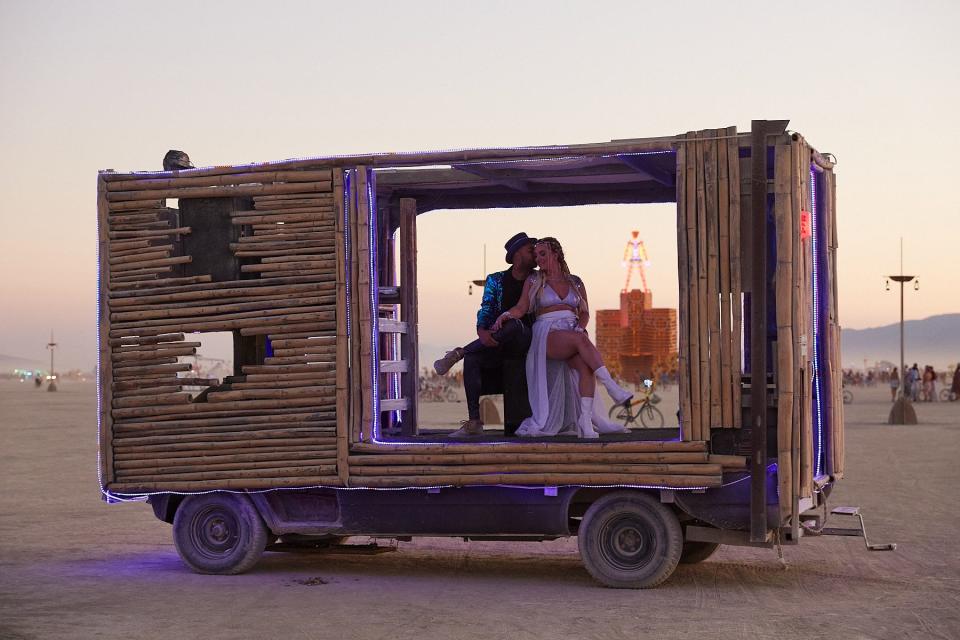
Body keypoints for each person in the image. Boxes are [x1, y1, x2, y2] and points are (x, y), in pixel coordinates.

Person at [491, 237, 632, 439]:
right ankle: (612, 387)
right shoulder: (534, 280)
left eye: (542, 254)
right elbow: (522, 307)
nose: (538, 259)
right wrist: (505, 315)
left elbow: (584, 312)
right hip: (547, 332)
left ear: (555, 254)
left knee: (585, 368)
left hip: (572, 329)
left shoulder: (575, 281)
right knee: (581, 340)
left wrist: (580, 327)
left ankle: (585, 420)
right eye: (536, 255)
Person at [433, 232, 538, 438]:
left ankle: (459, 351)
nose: (534, 254)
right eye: (529, 250)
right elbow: (487, 308)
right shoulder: (496, 279)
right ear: (517, 254)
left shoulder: (537, 278)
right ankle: (474, 421)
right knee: (473, 359)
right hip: (497, 340)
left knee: (514, 324)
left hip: (526, 339)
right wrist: (482, 331)